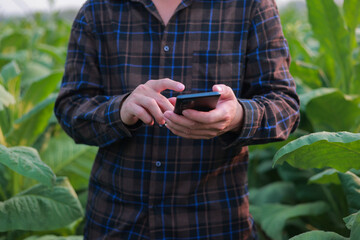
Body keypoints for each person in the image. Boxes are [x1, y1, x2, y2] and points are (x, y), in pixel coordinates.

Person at [54, 0, 300, 239]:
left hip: (215, 221)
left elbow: (285, 105)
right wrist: (119, 111)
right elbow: (70, 107)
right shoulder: (98, 9)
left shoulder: (251, 5)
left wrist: (237, 116)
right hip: (117, 221)